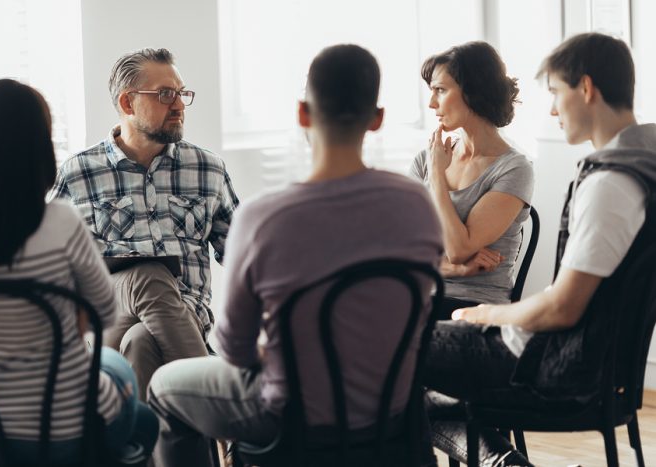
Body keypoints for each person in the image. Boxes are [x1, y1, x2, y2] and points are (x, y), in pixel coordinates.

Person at [147, 44, 444, 467]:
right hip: (391, 417)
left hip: (290, 421)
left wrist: (276, 348)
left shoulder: (264, 218)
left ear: (303, 114)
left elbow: (234, 349)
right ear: (376, 119)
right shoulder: (418, 204)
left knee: (162, 387)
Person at [423, 33, 656, 466]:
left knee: (388, 351)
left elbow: (562, 309)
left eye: (555, 93)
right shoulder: (644, 166)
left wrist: (485, 315)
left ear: (585, 89)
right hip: (582, 360)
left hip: (549, 363)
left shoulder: (610, 184)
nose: (552, 110)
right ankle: (498, 460)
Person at [0, 79, 158, 464]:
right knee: (136, 406)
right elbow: (103, 313)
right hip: (72, 428)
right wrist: (54, 322)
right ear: (39, 149)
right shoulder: (62, 222)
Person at [49, 48, 239, 399]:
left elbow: (240, 255)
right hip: (107, 319)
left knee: (141, 341)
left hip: (187, 317)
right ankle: (218, 407)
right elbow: (51, 267)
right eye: (166, 94)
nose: (179, 104)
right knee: (149, 277)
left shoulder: (208, 169)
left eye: (182, 93)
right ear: (127, 103)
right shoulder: (78, 173)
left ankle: (148, 453)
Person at [410, 41, 534, 319]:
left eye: (440, 90)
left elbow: (457, 248)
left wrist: (437, 178)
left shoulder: (514, 169)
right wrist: (458, 269)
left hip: (474, 309)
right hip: (418, 298)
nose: (431, 104)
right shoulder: (427, 158)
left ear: (472, 91)